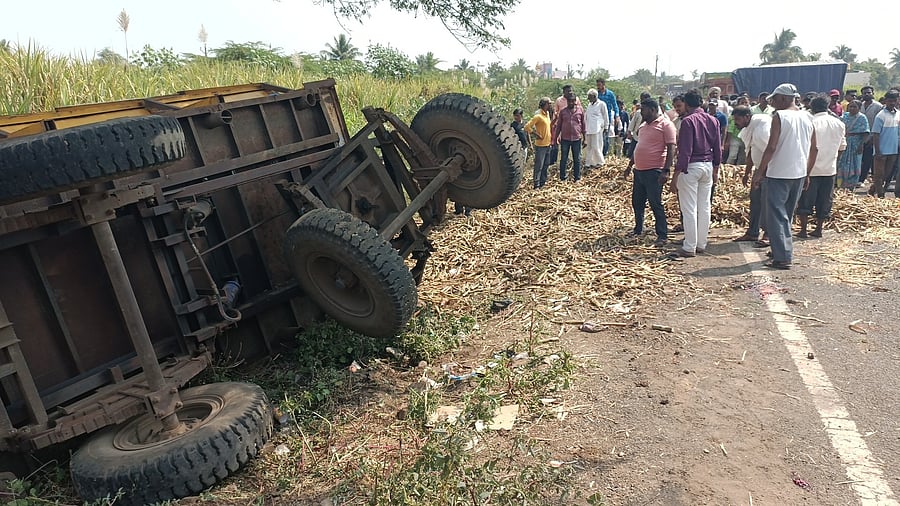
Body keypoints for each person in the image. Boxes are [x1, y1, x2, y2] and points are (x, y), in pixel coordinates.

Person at [752, 83, 816, 270]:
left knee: (776, 215)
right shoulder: (807, 116)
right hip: (798, 172)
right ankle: (779, 249)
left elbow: (771, 147)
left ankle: (783, 256)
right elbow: (814, 148)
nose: (773, 102)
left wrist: (760, 171)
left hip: (779, 172)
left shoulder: (779, 116)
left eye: (775, 99)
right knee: (786, 214)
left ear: (782, 98)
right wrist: (808, 172)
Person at [670, 89, 721, 257]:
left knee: (689, 208)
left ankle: (689, 246)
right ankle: (701, 243)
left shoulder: (688, 121)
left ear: (686, 104)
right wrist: (716, 169)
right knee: (704, 207)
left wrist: (676, 176)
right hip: (707, 166)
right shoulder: (713, 120)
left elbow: (685, 151)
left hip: (692, 166)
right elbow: (717, 148)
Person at [797, 97, 845, 238]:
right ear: (827, 106)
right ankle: (818, 229)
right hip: (829, 168)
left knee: (805, 199)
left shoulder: (809, 122)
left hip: (809, 168)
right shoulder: (838, 123)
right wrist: (834, 159)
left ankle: (803, 230)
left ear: (812, 108)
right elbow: (842, 147)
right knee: (825, 199)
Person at [629, 99, 675, 247]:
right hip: (640, 170)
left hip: (654, 171)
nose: (641, 112)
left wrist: (666, 170)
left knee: (655, 203)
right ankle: (638, 229)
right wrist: (630, 165)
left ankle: (662, 234)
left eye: (644, 109)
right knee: (637, 202)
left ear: (653, 110)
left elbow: (671, 148)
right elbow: (639, 147)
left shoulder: (666, 125)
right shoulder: (643, 126)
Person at [732, 106, 772, 244]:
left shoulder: (761, 127)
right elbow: (750, 151)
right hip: (758, 170)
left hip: (768, 172)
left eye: (738, 119)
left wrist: (761, 173)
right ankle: (752, 232)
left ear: (747, 117)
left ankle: (767, 234)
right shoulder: (750, 129)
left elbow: (770, 151)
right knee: (755, 202)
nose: (736, 122)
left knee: (767, 203)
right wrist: (747, 173)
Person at [868, 90, 900, 198]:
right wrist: (877, 151)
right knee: (879, 175)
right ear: (885, 101)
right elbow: (875, 134)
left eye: (894, 101)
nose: (892, 103)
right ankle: (881, 196)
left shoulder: (898, 114)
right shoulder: (880, 116)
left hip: (893, 150)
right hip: (881, 150)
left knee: (887, 175)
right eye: (890, 101)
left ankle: (872, 189)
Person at [553, 92, 587, 182]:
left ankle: (577, 178)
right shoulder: (563, 112)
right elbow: (559, 126)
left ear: (575, 101)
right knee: (563, 158)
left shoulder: (580, 111)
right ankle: (562, 178)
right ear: (567, 101)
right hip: (565, 139)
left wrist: (585, 138)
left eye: (572, 101)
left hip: (577, 138)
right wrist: (555, 138)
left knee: (577, 159)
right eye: (569, 101)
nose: (571, 103)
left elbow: (583, 124)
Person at [837, 100, 869, 189]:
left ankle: (851, 185)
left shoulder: (862, 118)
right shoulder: (845, 116)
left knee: (855, 163)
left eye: (854, 107)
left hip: (855, 143)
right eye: (850, 106)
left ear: (859, 108)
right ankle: (841, 184)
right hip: (845, 141)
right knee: (842, 162)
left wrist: (861, 145)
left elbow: (866, 133)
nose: (852, 108)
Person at [524, 97, 553, 189]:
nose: (550, 105)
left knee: (546, 164)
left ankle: (542, 182)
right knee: (539, 165)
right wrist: (536, 134)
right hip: (540, 145)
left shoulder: (547, 114)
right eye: (549, 104)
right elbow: (527, 127)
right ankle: (536, 184)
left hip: (548, 144)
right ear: (544, 105)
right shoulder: (538, 116)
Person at [859, 85, 883, 184]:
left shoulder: (878, 106)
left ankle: (863, 179)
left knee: (869, 159)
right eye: (865, 93)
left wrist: (873, 137)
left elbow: (880, 123)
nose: (867, 94)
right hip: (860, 137)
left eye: (869, 92)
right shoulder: (859, 105)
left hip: (873, 136)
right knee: (861, 159)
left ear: (873, 93)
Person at [584, 89, 609, 169]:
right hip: (589, 128)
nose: (588, 99)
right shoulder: (589, 105)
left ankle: (600, 162)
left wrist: (606, 127)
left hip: (597, 128)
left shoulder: (601, 104)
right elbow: (586, 116)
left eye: (589, 97)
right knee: (589, 147)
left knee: (596, 146)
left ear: (594, 96)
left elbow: (605, 116)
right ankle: (589, 163)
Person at [596, 78, 620, 156]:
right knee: (598, 138)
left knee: (605, 137)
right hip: (598, 119)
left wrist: (617, 115)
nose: (598, 87)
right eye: (597, 85)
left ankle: (604, 154)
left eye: (599, 85)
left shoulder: (610, 94)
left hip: (607, 119)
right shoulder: (597, 94)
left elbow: (615, 105)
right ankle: (598, 155)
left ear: (603, 84)